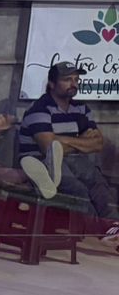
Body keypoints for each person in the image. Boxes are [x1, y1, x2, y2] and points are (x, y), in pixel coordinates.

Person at [18, 61, 116, 229]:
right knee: (77, 189)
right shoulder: (39, 108)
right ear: (52, 84)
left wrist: (60, 140)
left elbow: (98, 143)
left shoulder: (81, 108)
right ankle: (98, 232)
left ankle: (114, 227)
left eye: (76, 79)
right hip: (43, 161)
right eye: (67, 79)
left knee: (98, 182)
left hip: (74, 159)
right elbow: (49, 148)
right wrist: (81, 140)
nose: (73, 84)